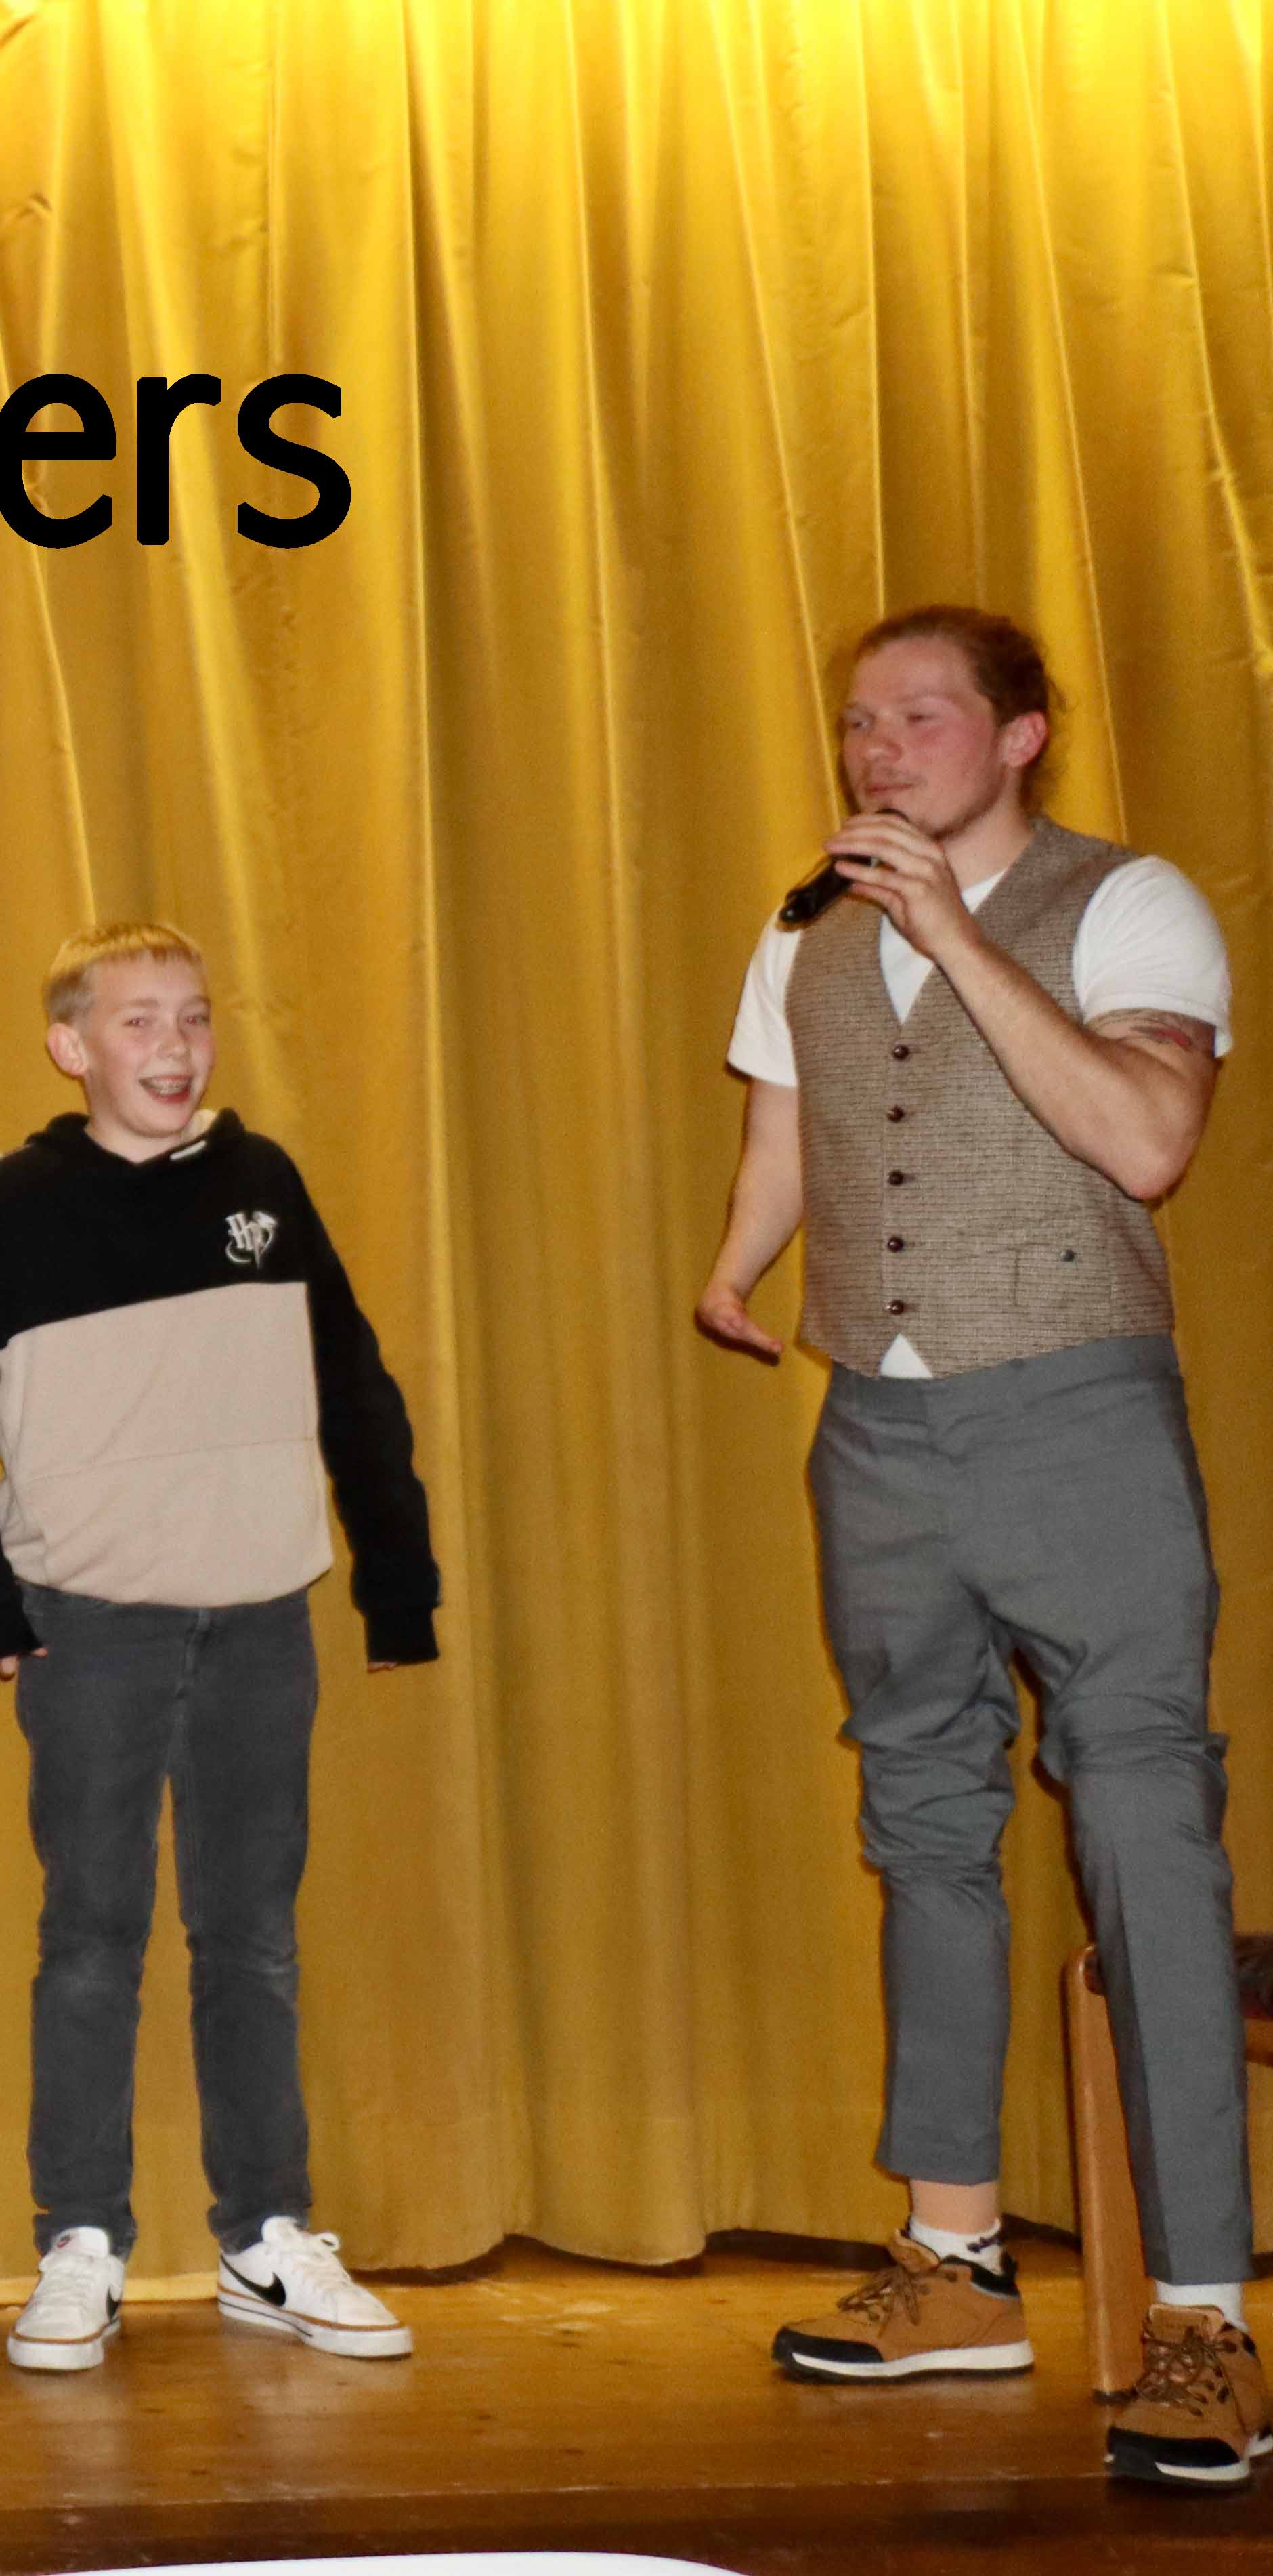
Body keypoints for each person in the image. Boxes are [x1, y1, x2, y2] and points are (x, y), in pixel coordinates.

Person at [694, 607, 1253, 2489]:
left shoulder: (1129, 905)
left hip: (1077, 1408)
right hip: (880, 1423)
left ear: (1021, 734)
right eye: (858, 721)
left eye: (920, 717)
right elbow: (790, 1119)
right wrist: (736, 1264)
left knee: (1145, 1833)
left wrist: (954, 933)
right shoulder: (804, 928)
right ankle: (953, 2264)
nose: (877, 749)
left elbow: (1150, 1140)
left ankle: (1204, 2320)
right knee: (923, 1821)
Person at [0, 921, 437, 2379]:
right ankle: (81, 2240)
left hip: (262, 1621)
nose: (174, 1047)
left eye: (192, 1017)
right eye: (137, 1022)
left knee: (251, 1939)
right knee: (91, 1940)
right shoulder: (19, 1202)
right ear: (71, 1047)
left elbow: (353, 1376)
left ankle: (267, 2235)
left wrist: (398, 1580)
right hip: (93, 1629)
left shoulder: (265, 1185)